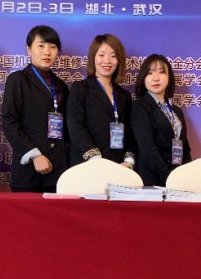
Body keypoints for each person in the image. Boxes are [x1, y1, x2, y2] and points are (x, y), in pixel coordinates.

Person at [2, 25, 69, 193]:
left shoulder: (61, 85)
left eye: (52, 47)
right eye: (41, 46)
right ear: (28, 49)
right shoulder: (18, 80)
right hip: (29, 171)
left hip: (58, 170)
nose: (47, 52)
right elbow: (10, 122)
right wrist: (35, 155)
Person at [66, 33, 136, 168]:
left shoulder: (124, 95)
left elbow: (131, 132)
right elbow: (75, 126)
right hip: (87, 165)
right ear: (93, 57)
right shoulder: (80, 88)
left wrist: (128, 160)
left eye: (113, 56)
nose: (107, 61)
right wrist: (95, 159)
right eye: (102, 55)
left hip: (118, 166)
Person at [131, 54, 192, 186]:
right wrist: (168, 176)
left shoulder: (177, 111)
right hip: (153, 180)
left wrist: (185, 176)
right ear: (143, 78)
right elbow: (147, 148)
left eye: (161, 72)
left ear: (169, 77)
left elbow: (185, 148)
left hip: (177, 180)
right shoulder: (140, 107)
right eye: (150, 73)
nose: (156, 78)